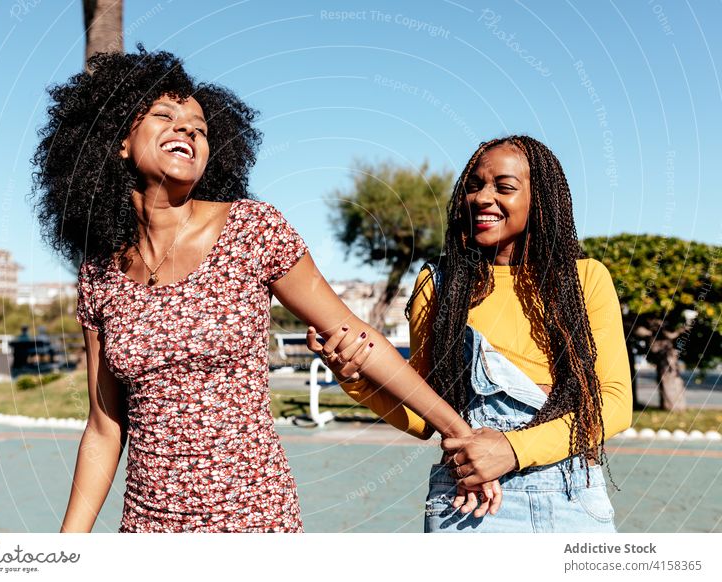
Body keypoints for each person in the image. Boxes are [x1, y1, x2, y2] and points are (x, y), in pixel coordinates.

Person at [31, 45, 502, 533]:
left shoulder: (253, 230)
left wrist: (459, 433)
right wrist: (71, 548)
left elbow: (358, 337)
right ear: (119, 143)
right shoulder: (99, 276)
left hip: (255, 520)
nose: (187, 130)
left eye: (199, 128)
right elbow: (106, 427)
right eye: (165, 116)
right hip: (148, 528)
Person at [307, 135, 633, 532]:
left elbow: (613, 404)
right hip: (467, 501)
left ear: (541, 201)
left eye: (504, 187)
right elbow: (422, 414)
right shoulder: (439, 283)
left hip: (568, 495)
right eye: (474, 186)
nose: (482, 198)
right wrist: (354, 378)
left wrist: (511, 450)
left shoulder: (586, 278)